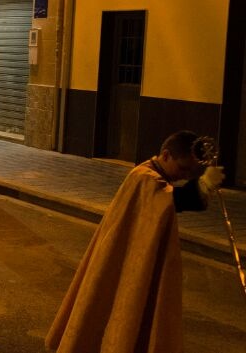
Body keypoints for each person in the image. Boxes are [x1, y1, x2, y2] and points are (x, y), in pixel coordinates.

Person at [45, 130, 226, 353]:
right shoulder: (144, 177)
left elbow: (167, 200)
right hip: (124, 260)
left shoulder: (154, 177)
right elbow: (168, 199)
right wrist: (202, 185)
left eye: (190, 172)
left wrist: (202, 186)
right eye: (182, 168)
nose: (184, 176)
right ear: (166, 155)